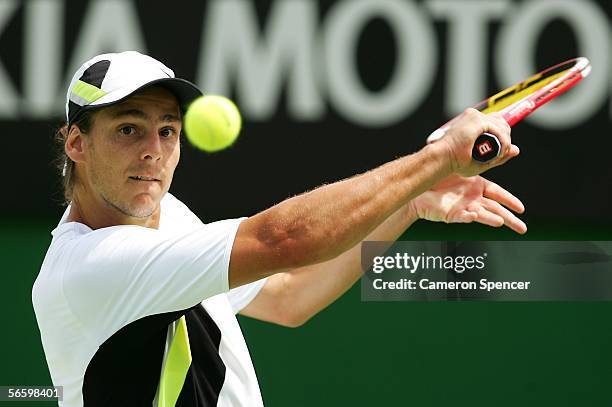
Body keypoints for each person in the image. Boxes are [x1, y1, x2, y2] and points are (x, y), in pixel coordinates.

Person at [32, 51, 526, 407]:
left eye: (168, 131)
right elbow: (284, 241)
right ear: (76, 143)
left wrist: (410, 201)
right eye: (128, 129)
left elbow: (290, 296)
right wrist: (437, 159)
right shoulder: (87, 271)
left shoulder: (167, 216)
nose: (153, 152)